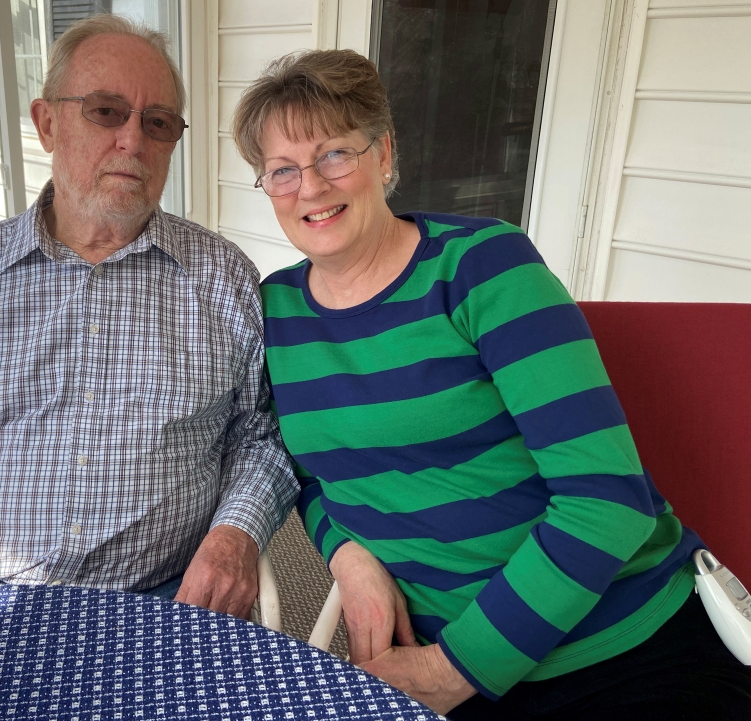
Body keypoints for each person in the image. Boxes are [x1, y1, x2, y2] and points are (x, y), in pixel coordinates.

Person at [232, 49, 751, 718]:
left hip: (619, 645)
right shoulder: (276, 312)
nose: (310, 186)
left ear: (384, 154)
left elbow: (608, 500)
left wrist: (453, 671)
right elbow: (307, 471)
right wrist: (348, 556)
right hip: (444, 648)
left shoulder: (484, 268)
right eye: (282, 170)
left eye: (335, 153)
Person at [0, 15, 297, 620]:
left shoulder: (225, 279)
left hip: (166, 604)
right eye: (106, 111)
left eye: (157, 123)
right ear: (47, 123)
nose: (133, 142)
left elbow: (260, 437)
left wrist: (235, 533)